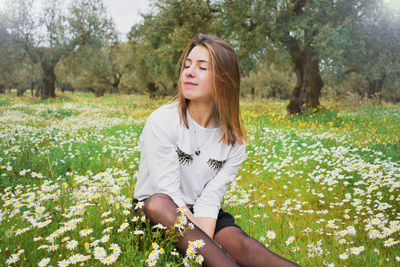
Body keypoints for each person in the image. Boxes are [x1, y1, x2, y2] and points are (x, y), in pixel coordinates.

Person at [133, 34, 298, 267]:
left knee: (245, 246)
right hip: (160, 214)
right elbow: (168, 192)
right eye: (187, 65)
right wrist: (206, 248)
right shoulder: (162, 120)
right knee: (158, 203)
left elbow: (211, 198)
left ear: (224, 79)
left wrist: (203, 243)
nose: (189, 72)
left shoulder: (235, 141)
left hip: (201, 212)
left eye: (202, 67)